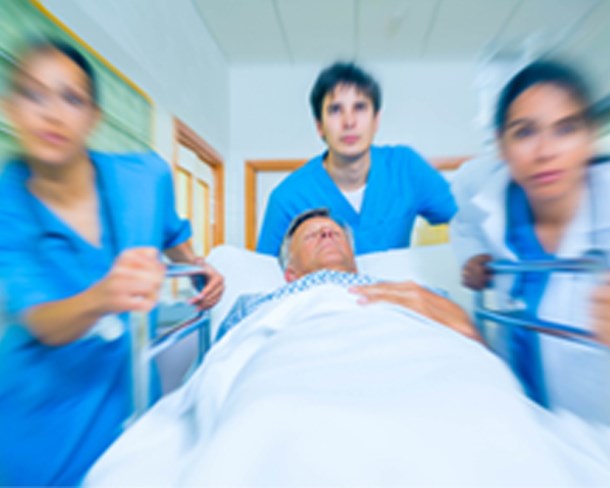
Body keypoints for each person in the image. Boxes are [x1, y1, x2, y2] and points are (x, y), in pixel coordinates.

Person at [0, 39, 224, 485]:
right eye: (33, 95)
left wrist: (201, 269)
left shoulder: (145, 177)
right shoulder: (8, 200)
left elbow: (172, 233)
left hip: (129, 395)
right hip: (37, 414)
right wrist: (103, 296)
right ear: (10, 108)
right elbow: (42, 319)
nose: (51, 113)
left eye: (71, 98)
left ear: (93, 117)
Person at [454, 60, 610, 483]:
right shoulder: (494, 198)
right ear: (502, 146)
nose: (545, 151)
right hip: (529, 407)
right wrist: (471, 258)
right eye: (525, 132)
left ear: (590, 137)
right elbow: (464, 224)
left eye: (566, 128)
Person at [256, 62, 457, 257]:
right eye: (335, 110)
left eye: (359, 107)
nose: (349, 122)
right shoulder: (288, 198)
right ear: (319, 126)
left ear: (376, 120)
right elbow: (263, 276)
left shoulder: (406, 168)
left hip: (393, 290)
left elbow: (467, 217)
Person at [219, 208, 475, 341]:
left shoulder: (406, 291)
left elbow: (464, 330)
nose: (327, 234)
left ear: (354, 262)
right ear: (290, 274)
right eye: (312, 236)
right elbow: (227, 352)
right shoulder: (258, 304)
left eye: (334, 233)